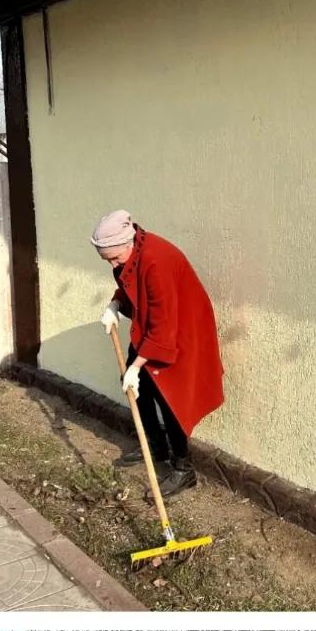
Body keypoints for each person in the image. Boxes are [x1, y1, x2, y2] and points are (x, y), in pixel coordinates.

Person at [94, 210, 224, 494]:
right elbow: (130, 283)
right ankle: (155, 448)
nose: (113, 265)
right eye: (108, 260)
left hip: (181, 333)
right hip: (152, 328)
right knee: (136, 389)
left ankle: (183, 469)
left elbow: (163, 327)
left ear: (127, 243)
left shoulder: (157, 260)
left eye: (114, 258)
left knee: (169, 397)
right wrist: (115, 304)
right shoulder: (130, 252)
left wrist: (136, 367)